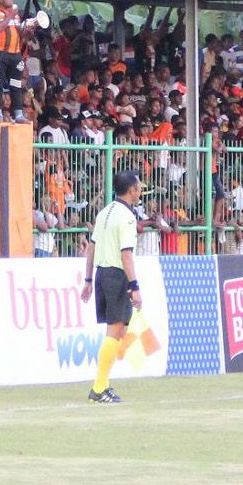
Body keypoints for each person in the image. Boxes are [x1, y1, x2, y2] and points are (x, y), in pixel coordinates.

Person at [80, 169, 142, 404]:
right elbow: (126, 254)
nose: (139, 191)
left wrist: (87, 279)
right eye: (137, 188)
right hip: (116, 275)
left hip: (101, 274)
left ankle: (102, 385)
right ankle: (99, 388)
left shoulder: (104, 212)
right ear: (131, 190)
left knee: (118, 331)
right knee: (115, 331)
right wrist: (134, 285)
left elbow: (91, 247)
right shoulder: (127, 217)